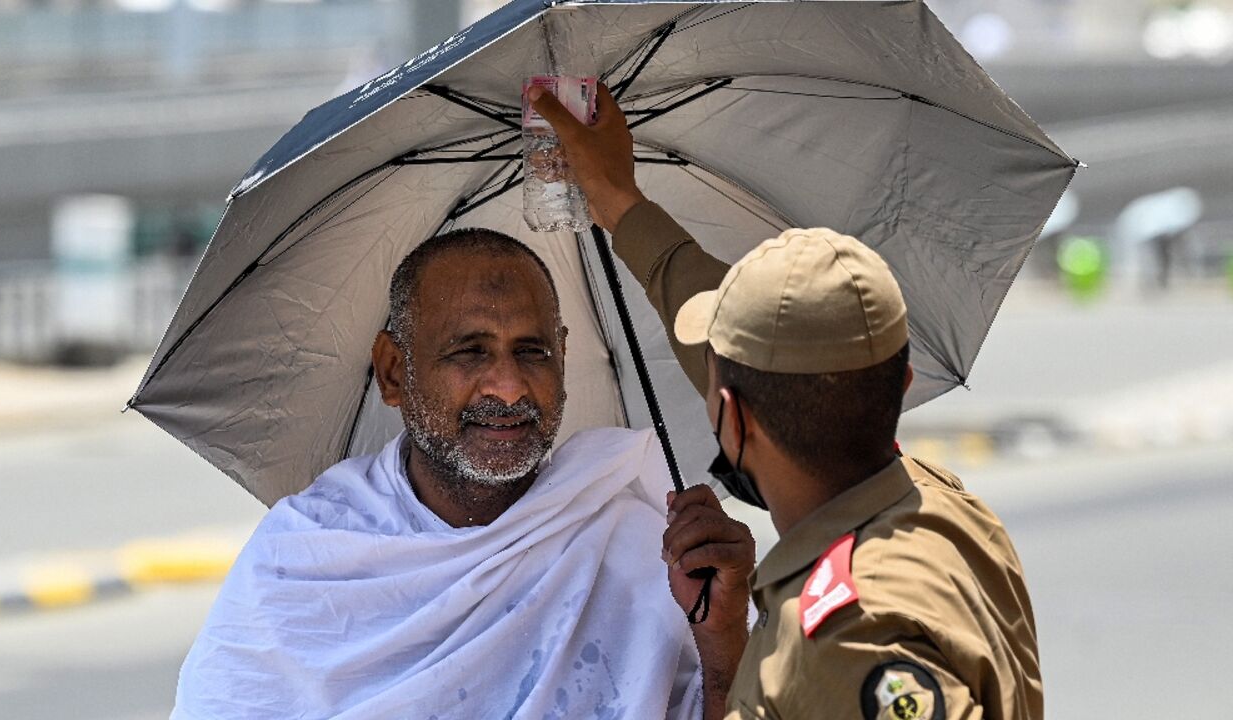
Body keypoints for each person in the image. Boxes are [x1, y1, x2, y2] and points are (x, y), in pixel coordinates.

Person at [530, 83, 1042, 719]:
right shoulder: (940, 504)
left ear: (735, 417)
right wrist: (619, 203)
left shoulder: (852, 636)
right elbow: (773, 355)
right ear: (901, 384)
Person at [171, 229, 703, 719]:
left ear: (562, 358)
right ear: (394, 371)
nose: (510, 387)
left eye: (532, 352)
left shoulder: (638, 546)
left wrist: (721, 640)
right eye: (470, 352)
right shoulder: (306, 557)